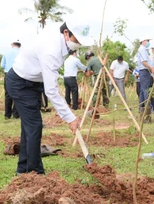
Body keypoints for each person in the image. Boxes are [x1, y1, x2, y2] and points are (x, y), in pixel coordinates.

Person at [6, 22, 91, 175]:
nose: (79, 44)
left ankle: (24, 170)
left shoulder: (60, 37)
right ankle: (35, 173)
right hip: (20, 83)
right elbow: (51, 91)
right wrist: (70, 118)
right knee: (34, 126)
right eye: (77, 39)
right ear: (66, 33)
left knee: (29, 127)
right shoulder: (51, 49)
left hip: (33, 83)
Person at [136, 36, 154, 122]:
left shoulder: (141, 50)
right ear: (143, 41)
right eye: (147, 40)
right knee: (146, 90)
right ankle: (148, 107)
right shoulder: (143, 50)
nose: (148, 42)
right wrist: (151, 68)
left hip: (142, 71)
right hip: (144, 71)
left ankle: (141, 107)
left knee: (142, 90)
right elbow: (144, 62)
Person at [1, 40, 21, 119]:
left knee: (8, 94)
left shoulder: (6, 52)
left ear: (12, 44)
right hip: (18, 74)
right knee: (18, 94)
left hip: (8, 74)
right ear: (19, 45)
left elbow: (2, 65)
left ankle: (7, 114)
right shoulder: (22, 52)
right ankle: (15, 114)